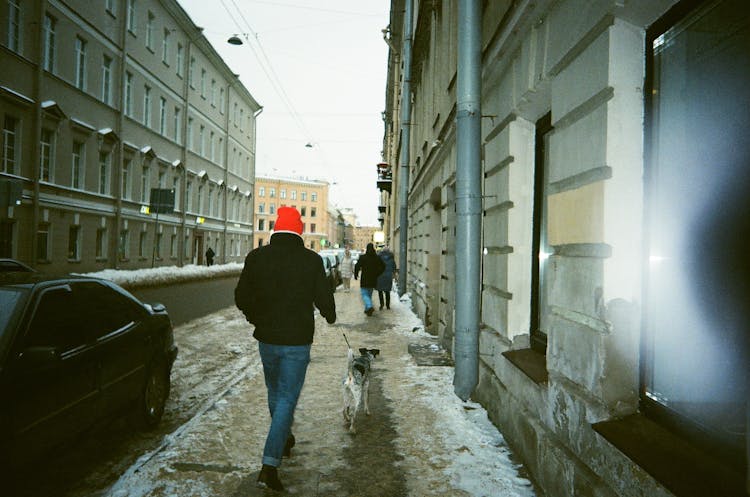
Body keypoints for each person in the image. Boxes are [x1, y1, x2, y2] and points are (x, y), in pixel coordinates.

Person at [234, 206, 336, 491]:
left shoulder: (256, 257)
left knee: (276, 393)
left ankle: (284, 437)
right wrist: (330, 314)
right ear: (299, 231)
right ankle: (269, 465)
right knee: (287, 399)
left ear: (276, 228)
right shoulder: (311, 260)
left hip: (267, 340)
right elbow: (323, 296)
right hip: (297, 341)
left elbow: (241, 296)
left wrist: (257, 318)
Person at [354, 242, 384, 316]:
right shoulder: (376, 257)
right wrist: (377, 273)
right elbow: (383, 266)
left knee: (364, 294)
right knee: (369, 294)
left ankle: (369, 306)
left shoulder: (363, 257)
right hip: (373, 279)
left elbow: (357, 266)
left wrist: (356, 274)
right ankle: (367, 310)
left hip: (365, 279)